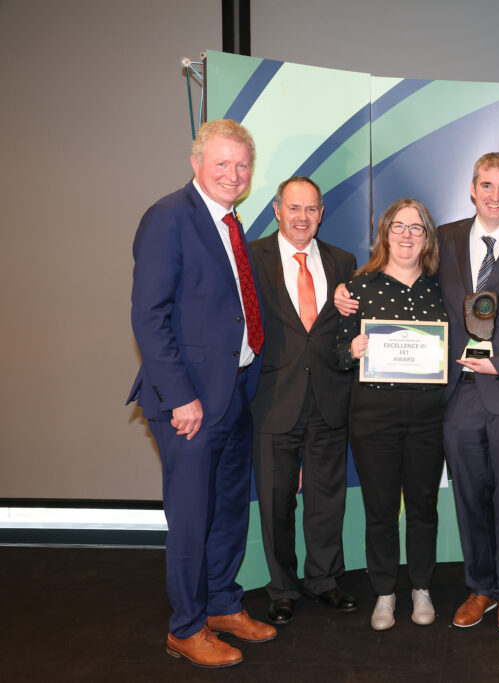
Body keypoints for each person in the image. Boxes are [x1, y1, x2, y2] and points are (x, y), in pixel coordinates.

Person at [335, 152, 499, 633]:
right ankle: (480, 588)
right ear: (472, 188)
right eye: (486, 185)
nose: (494, 195)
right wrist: (344, 295)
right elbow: (403, 285)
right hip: (456, 396)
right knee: (469, 501)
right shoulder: (450, 240)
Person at [127, 119, 276, 668]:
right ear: (196, 164)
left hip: (235, 391)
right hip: (188, 402)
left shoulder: (232, 224)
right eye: (222, 164)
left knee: (229, 509)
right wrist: (181, 395)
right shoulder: (169, 218)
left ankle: (220, 604)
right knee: (191, 516)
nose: (233, 175)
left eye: (242, 166)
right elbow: (150, 317)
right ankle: (185, 628)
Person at [249, 176, 358, 626]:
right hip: (273, 400)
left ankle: (325, 580)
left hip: (330, 400)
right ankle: (282, 588)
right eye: (294, 208)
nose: (302, 218)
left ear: (322, 212)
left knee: (326, 499)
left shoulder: (343, 261)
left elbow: (348, 330)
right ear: (277, 210)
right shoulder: (252, 258)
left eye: (311, 209)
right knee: (276, 502)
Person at [336, 198, 448, 631]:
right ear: (384, 233)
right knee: (380, 508)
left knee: (423, 507)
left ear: (427, 238)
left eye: (416, 228)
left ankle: (421, 587)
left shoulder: (444, 286)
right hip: (373, 418)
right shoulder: (357, 288)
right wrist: (352, 349)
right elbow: (335, 351)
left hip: (428, 418)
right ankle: (384, 592)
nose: (406, 235)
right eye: (398, 227)